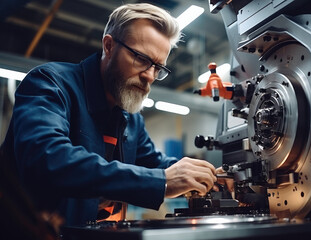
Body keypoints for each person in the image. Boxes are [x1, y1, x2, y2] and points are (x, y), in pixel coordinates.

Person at [1, 3, 218, 226]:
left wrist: (206, 176)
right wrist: (161, 182)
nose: (150, 76)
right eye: (142, 59)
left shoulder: (130, 118)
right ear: (109, 46)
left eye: (158, 67)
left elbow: (156, 166)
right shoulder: (51, 83)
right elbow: (48, 158)